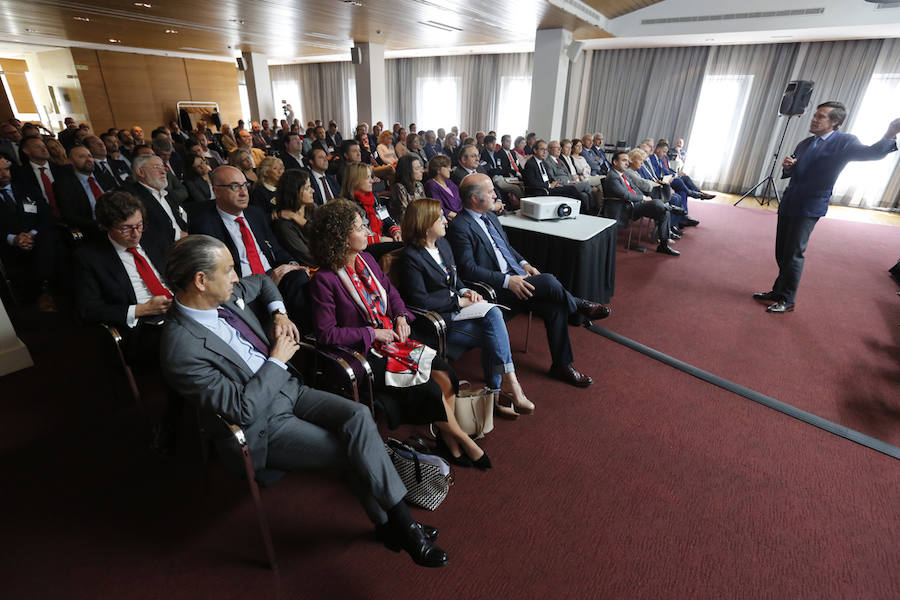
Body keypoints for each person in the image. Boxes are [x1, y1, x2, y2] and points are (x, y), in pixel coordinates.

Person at [159, 234, 448, 567]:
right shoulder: (181, 349)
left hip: (290, 388)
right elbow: (243, 409)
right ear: (200, 280)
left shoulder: (221, 295)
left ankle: (393, 526)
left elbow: (264, 284)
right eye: (228, 270)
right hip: (263, 425)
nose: (236, 277)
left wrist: (279, 314)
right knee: (352, 451)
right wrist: (277, 360)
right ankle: (405, 529)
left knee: (358, 416)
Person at [308, 200, 490, 469]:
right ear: (341, 238)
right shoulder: (324, 280)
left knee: (445, 374)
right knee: (429, 389)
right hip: (365, 351)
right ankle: (461, 439)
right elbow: (326, 334)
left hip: (393, 338)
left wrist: (401, 316)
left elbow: (392, 294)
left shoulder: (367, 260)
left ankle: (448, 439)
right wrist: (373, 333)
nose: (368, 230)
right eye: (360, 227)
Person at [447, 174, 610, 387]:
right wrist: (508, 281)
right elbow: (468, 270)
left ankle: (561, 365)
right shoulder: (460, 226)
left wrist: (523, 263)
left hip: (517, 279)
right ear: (475, 199)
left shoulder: (490, 217)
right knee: (550, 281)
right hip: (495, 290)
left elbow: (506, 247)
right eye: (490, 192)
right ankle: (578, 306)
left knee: (555, 306)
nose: (496, 194)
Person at [754, 104, 900, 314]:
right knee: (782, 252)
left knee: (794, 253)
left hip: (810, 205)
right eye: (814, 115)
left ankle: (788, 299)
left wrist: (890, 132)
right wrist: (789, 167)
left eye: (820, 117)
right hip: (790, 201)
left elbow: (872, 153)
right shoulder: (805, 143)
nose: (814, 119)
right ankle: (778, 291)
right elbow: (797, 170)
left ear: (834, 122)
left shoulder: (845, 142)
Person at [399, 199, 533, 417]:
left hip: (458, 310)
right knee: (494, 330)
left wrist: (464, 292)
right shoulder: (411, 258)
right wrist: (458, 301)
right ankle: (503, 389)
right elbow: (419, 301)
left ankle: (501, 389)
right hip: (438, 322)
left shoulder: (442, 244)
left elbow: (455, 278)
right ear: (425, 225)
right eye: (439, 218)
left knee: (493, 317)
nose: (445, 221)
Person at [186, 166, 309, 317]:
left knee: (299, 277)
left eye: (245, 185)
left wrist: (291, 265)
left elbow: (276, 249)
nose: (244, 192)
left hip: (271, 274)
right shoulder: (204, 225)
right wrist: (261, 283)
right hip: (243, 284)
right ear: (216, 191)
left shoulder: (256, 213)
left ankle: (304, 334)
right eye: (234, 187)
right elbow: (218, 272)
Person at [74, 190, 170, 365]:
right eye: (125, 228)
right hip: (143, 325)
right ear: (106, 226)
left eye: (139, 225)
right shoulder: (90, 258)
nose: (136, 234)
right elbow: (88, 310)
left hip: (176, 308)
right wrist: (141, 310)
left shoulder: (153, 237)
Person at [0, 156, 61, 311]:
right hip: (7, 245)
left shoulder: (27, 189)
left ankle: (50, 291)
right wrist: (14, 239)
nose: (4, 174)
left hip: (38, 237)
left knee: (49, 238)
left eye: (5, 169)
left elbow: (45, 215)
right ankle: (42, 294)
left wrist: (31, 234)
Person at [603, 150, 679, 256]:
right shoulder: (612, 177)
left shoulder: (623, 175)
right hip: (627, 208)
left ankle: (663, 245)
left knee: (664, 212)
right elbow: (626, 195)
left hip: (636, 205)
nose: (627, 163)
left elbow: (635, 189)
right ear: (615, 162)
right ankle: (670, 207)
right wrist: (643, 198)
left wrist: (644, 198)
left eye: (627, 161)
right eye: (624, 160)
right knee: (657, 203)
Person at [340, 162, 403, 261]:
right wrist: (382, 239)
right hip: (364, 248)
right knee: (405, 247)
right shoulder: (346, 205)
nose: (372, 181)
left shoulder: (374, 197)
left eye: (371, 177)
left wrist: (396, 232)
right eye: (368, 178)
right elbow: (352, 239)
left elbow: (385, 217)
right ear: (355, 180)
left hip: (380, 238)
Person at [124, 153, 188, 249]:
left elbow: (182, 216)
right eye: (156, 167)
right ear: (141, 172)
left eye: (163, 167)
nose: (163, 171)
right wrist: (178, 235)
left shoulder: (168, 194)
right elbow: (145, 229)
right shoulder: (131, 196)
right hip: (162, 249)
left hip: (186, 243)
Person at [272, 169, 316, 267]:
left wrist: (296, 217)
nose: (312, 191)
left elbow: (326, 233)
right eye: (307, 188)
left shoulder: (312, 208)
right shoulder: (284, 225)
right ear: (294, 192)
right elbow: (307, 256)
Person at [648, 141, 715, 200]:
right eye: (664, 152)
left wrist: (675, 175)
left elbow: (666, 171)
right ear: (658, 150)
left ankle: (698, 193)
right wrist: (670, 177)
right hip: (661, 180)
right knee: (678, 181)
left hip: (666, 178)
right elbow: (656, 174)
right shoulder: (652, 158)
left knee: (684, 182)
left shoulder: (660, 159)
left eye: (666, 152)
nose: (665, 154)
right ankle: (693, 194)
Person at [389, 154, 425, 222]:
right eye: (417, 168)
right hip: (407, 224)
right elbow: (405, 214)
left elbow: (425, 206)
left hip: (421, 220)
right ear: (408, 171)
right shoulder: (399, 187)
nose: (422, 171)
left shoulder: (419, 185)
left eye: (421, 167)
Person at [424, 154, 461, 219]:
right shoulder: (431, 185)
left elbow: (460, 199)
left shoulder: (449, 181)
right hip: (449, 220)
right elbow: (440, 208)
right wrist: (460, 218)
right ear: (438, 169)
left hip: (460, 215)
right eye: (447, 167)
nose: (450, 170)